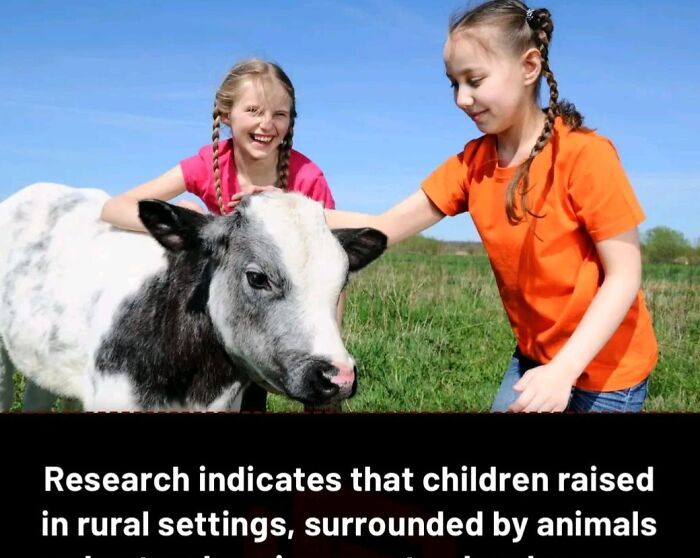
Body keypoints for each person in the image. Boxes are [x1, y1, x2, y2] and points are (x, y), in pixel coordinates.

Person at [325, 0, 658, 413]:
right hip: (536, 357)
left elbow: (625, 276)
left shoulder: (585, 156)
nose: (462, 99)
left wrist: (564, 370)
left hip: (606, 371)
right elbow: (385, 225)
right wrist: (281, 209)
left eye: (475, 80)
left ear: (529, 66)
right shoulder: (472, 163)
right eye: (454, 84)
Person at [99, 58, 338, 412]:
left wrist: (330, 344)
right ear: (226, 115)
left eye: (280, 114)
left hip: (282, 317)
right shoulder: (208, 163)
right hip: (219, 320)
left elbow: (330, 267)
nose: (266, 124)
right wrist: (191, 219)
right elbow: (113, 208)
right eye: (253, 110)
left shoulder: (306, 178)